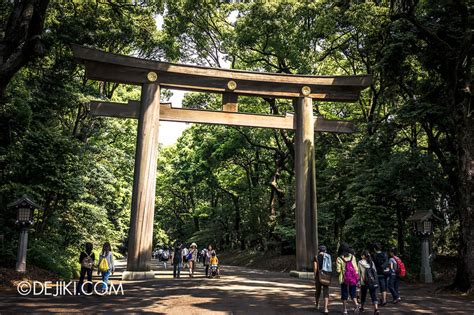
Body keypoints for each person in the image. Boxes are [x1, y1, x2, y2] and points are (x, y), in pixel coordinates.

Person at [336, 242, 360, 315]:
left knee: (344, 294)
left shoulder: (339, 258)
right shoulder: (353, 257)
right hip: (353, 278)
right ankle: (356, 304)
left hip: (344, 279)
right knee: (353, 293)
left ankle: (345, 310)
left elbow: (338, 270)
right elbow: (356, 268)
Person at [358, 250, 380, 314]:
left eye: (362, 254)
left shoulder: (360, 262)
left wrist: (359, 281)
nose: (361, 255)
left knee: (363, 294)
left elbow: (359, 273)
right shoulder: (371, 262)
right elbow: (375, 272)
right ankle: (376, 309)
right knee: (374, 295)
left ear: (364, 256)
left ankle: (362, 308)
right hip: (372, 281)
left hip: (364, 281)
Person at [313, 245, 332, 315]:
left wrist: (315, 276)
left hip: (319, 276)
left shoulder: (316, 257)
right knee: (326, 292)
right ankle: (326, 308)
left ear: (319, 250)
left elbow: (315, 268)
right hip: (326, 276)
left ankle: (317, 305)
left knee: (318, 291)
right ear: (325, 250)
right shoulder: (328, 256)